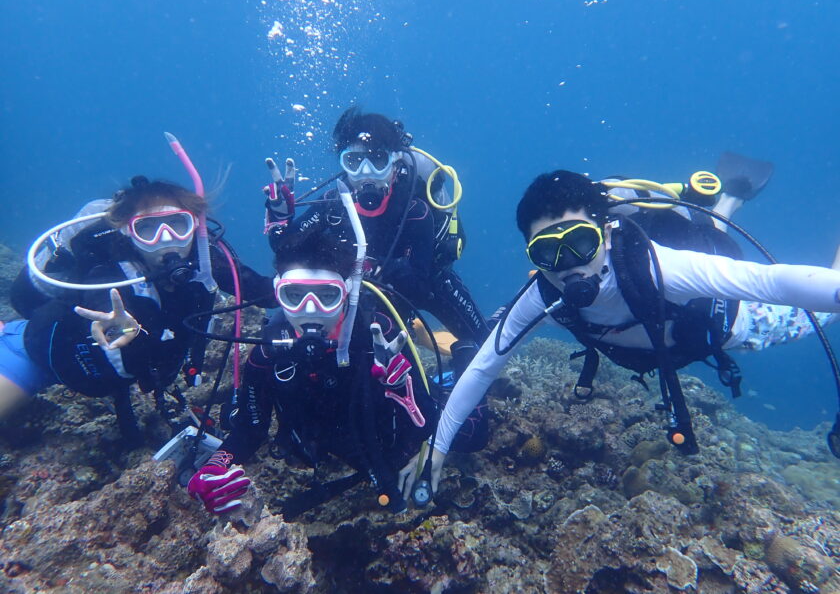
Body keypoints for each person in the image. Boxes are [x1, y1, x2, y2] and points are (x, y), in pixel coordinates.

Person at [398, 169, 840, 497]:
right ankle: (720, 207)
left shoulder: (658, 267)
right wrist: (437, 447)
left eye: (581, 242)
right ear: (532, 256)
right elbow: (481, 370)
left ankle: (723, 209)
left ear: (606, 234)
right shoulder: (541, 298)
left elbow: (772, 283)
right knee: (709, 239)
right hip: (654, 344)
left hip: (729, 327)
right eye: (548, 252)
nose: (570, 264)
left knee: (819, 317)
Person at [0, 176, 275, 443]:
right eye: (148, 229)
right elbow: (104, 300)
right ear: (128, 233)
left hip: (111, 383)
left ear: (195, 227)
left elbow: (265, 291)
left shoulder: (206, 262)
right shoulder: (108, 271)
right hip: (33, 356)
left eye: (177, 225)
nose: (166, 239)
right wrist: (123, 325)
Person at [186, 228, 439, 516]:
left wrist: (398, 385)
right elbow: (249, 430)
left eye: (326, 296)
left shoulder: (378, 336)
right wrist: (214, 466)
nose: (310, 310)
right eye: (294, 295)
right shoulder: (269, 352)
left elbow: (427, 420)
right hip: (322, 444)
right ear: (278, 294)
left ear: (347, 295)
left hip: (377, 442)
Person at [264, 107, 490, 352]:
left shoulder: (414, 211)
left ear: (394, 160)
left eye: (377, 160)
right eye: (354, 162)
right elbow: (286, 248)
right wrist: (279, 220)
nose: (366, 173)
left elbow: (420, 287)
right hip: (374, 297)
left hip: (432, 284)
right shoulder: (333, 205)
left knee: (488, 346)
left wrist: (374, 266)